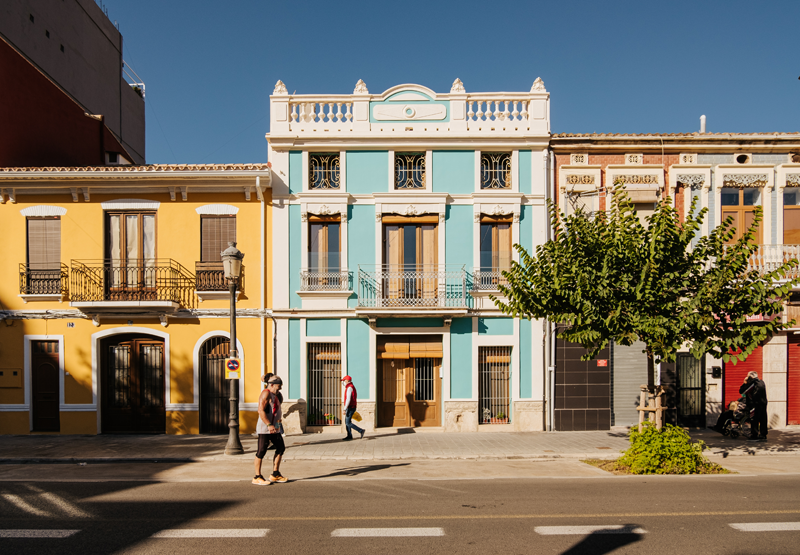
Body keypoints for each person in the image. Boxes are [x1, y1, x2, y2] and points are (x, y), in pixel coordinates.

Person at [253, 375, 288, 485]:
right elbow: (261, 410)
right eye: (279, 386)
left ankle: (275, 474)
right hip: (265, 428)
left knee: (281, 448)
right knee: (261, 451)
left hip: (275, 428)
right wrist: (268, 424)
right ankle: (257, 477)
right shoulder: (266, 393)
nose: (280, 388)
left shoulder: (276, 394)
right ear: (272, 385)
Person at [740, 371, 768, 442]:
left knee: (754, 419)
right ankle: (763, 435)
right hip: (763, 404)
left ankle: (754, 435)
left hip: (754, 405)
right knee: (763, 419)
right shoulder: (762, 382)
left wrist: (745, 382)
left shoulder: (752, 383)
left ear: (750, 377)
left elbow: (742, 391)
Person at [341, 375, 364, 441]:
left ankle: (361, 430)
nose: (344, 382)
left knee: (348, 423)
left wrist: (344, 409)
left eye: (344, 380)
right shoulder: (351, 387)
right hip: (351, 407)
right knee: (347, 422)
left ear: (347, 380)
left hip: (350, 407)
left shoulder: (349, 388)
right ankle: (349, 436)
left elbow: (348, 399)